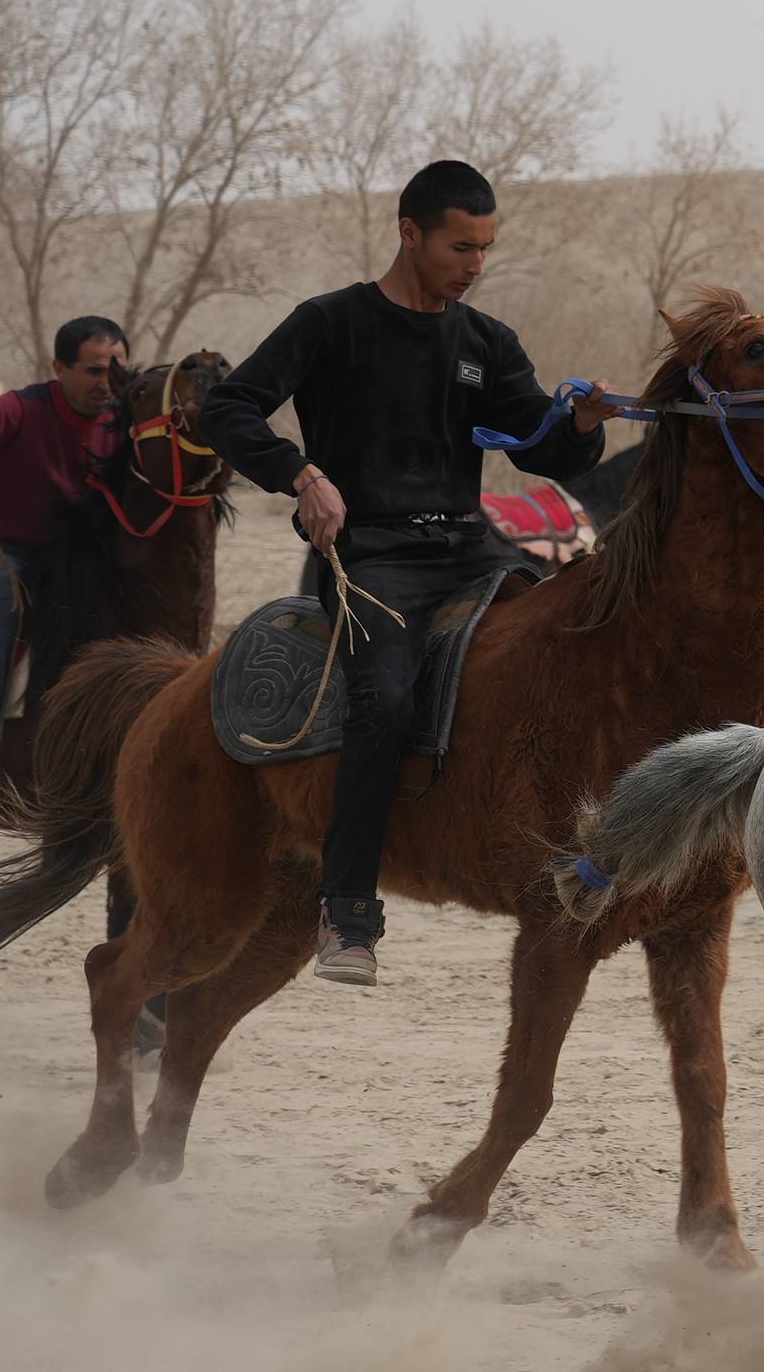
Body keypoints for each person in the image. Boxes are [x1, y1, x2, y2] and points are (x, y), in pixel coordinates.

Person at [198, 159, 618, 985]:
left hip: (470, 547)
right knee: (383, 699)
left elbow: (542, 445)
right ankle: (347, 911)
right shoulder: (331, 324)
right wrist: (301, 475)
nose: (475, 265)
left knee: (569, 640)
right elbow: (227, 408)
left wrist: (582, 424)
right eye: (461, 247)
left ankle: (576, 857)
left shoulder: (484, 342)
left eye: (486, 249)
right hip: (370, 559)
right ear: (410, 234)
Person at [0, 315, 132, 817]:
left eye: (118, 370)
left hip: (84, 557)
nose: (108, 383)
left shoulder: (126, 419)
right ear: (59, 367)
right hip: (8, 549)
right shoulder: (21, 408)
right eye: (95, 371)